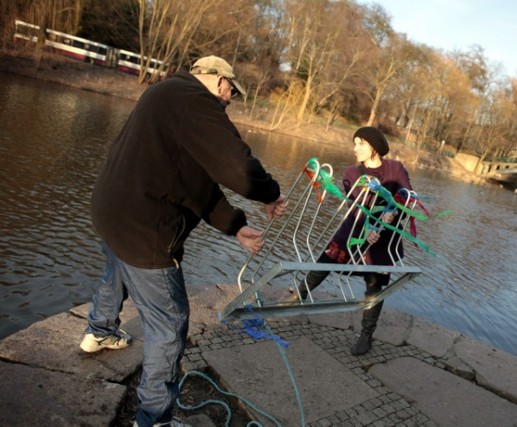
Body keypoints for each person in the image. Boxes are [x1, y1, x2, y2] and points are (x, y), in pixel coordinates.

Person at [80, 55, 287, 427]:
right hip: (145, 228)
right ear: (218, 79)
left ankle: (99, 330)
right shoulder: (196, 100)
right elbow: (238, 168)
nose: (229, 99)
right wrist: (270, 193)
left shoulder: (165, 92)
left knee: (116, 269)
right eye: (230, 90)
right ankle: (154, 418)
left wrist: (236, 226)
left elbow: (194, 182)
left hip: (112, 209)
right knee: (170, 322)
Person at [296, 126, 412, 356]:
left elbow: (407, 197)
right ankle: (298, 295)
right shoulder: (351, 173)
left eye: (361, 143)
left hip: (384, 237)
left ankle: (366, 335)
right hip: (355, 228)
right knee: (324, 262)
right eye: (355, 142)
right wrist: (368, 228)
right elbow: (354, 207)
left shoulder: (396, 169)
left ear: (375, 148)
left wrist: (394, 212)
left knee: (374, 284)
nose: (355, 148)